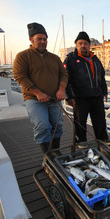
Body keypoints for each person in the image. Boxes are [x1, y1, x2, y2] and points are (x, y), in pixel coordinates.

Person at [13, 22, 68, 155]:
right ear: (31, 39)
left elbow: (64, 74)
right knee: (43, 127)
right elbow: (20, 76)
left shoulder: (54, 58)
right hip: (34, 99)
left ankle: (56, 152)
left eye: (45, 39)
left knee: (57, 126)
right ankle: (48, 156)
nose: (43, 42)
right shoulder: (22, 56)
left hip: (55, 99)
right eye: (39, 39)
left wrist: (61, 90)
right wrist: (38, 93)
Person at [64, 31, 110, 148]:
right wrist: (69, 96)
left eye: (85, 43)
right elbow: (65, 79)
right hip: (80, 97)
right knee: (80, 121)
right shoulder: (70, 59)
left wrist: (104, 91)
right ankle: (81, 141)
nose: (83, 46)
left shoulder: (95, 59)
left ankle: (102, 138)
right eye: (80, 43)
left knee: (100, 119)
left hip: (96, 95)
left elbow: (101, 76)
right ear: (76, 45)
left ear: (89, 45)